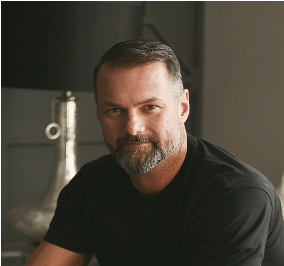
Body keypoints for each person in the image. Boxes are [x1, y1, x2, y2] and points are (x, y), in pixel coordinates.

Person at [25, 39, 284, 266]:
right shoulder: (91, 184)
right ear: (99, 115)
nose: (132, 127)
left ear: (182, 107)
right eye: (115, 110)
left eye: (150, 107)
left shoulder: (236, 196)